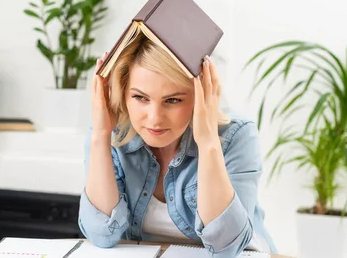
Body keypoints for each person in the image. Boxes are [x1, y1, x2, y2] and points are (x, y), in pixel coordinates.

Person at [78, 32, 277, 257]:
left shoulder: (237, 135)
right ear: (123, 93)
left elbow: (227, 247)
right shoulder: (111, 135)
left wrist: (209, 142)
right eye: (140, 97)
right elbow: (101, 235)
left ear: (201, 95)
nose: (154, 118)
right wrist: (100, 135)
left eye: (173, 100)